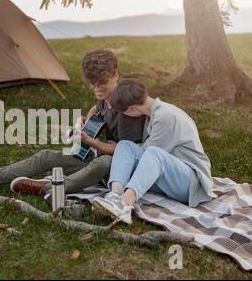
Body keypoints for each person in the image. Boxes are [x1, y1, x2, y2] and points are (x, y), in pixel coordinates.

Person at [0, 49, 145, 196]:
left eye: (101, 83)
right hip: (95, 159)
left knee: (103, 162)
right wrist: (87, 120)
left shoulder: (127, 105)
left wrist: (90, 141)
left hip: (119, 171)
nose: (97, 89)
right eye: (92, 84)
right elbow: (98, 112)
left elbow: (125, 152)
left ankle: (49, 187)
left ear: (115, 75)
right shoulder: (104, 98)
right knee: (46, 156)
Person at [92, 79, 216, 224]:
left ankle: (125, 204)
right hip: (169, 177)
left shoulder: (166, 117)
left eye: (124, 113)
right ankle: (115, 195)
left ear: (131, 108)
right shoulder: (151, 114)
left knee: (153, 152)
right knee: (125, 145)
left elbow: (148, 156)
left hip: (191, 183)